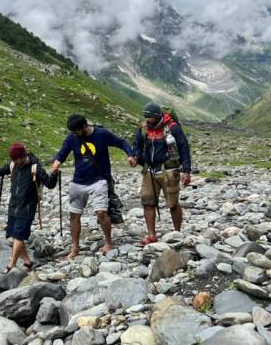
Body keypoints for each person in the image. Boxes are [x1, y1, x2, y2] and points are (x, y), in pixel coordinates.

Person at [51, 115, 138, 259]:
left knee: (101, 212)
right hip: (78, 181)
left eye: (77, 131)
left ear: (84, 127)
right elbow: (63, 153)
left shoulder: (101, 134)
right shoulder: (72, 138)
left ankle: (108, 242)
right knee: (74, 215)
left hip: (99, 180)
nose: (74, 134)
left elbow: (121, 142)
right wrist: (56, 163)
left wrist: (130, 155)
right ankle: (75, 247)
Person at [0, 142, 57, 273]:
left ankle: (11, 265)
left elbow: (50, 184)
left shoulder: (35, 167)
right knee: (15, 235)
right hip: (13, 205)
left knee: (19, 236)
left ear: (23, 155)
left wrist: (54, 173)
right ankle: (27, 261)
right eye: (13, 159)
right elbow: (1, 171)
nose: (15, 161)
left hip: (27, 207)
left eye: (17, 159)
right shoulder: (13, 164)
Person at [133, 102, 192, 245]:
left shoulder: (172, 128)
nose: (147, 120)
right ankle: (151, 235)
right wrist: (135, 156)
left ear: (158, 116)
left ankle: (177, 233)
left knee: (172, 204)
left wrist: (186, 170)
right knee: (147, 202)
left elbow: (184, 147)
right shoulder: (144, 129)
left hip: (169, 170)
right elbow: (137, 145)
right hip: (149, 171)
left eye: (150, 117)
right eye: (145, 116)